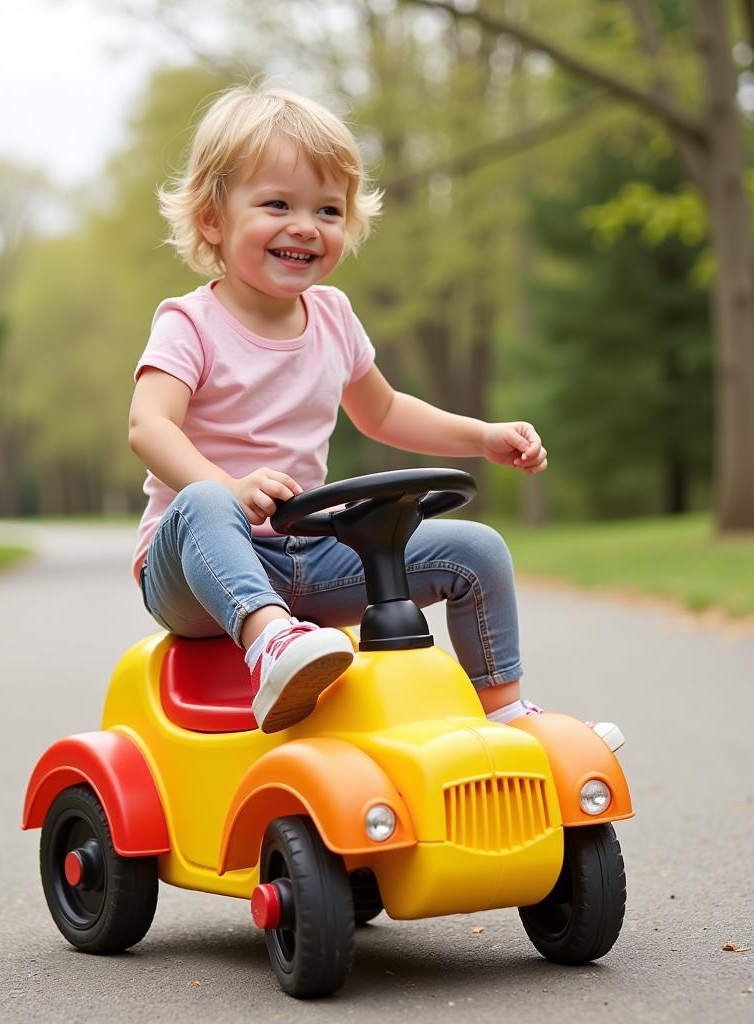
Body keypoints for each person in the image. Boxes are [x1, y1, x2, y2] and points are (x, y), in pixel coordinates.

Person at [127, 83, 623, 749]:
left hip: (312, 555)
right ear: (214, 219)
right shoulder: (191, 323)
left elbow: (383, 411)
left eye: (328, 209)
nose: (306, 225)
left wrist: (481, 436)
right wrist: (229, 484)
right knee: (205, 502)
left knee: (478, 550)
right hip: (197, 568)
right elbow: (148, 425)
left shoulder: (332, 317)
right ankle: (270, 642)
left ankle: (502, 711)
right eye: (278, 204)